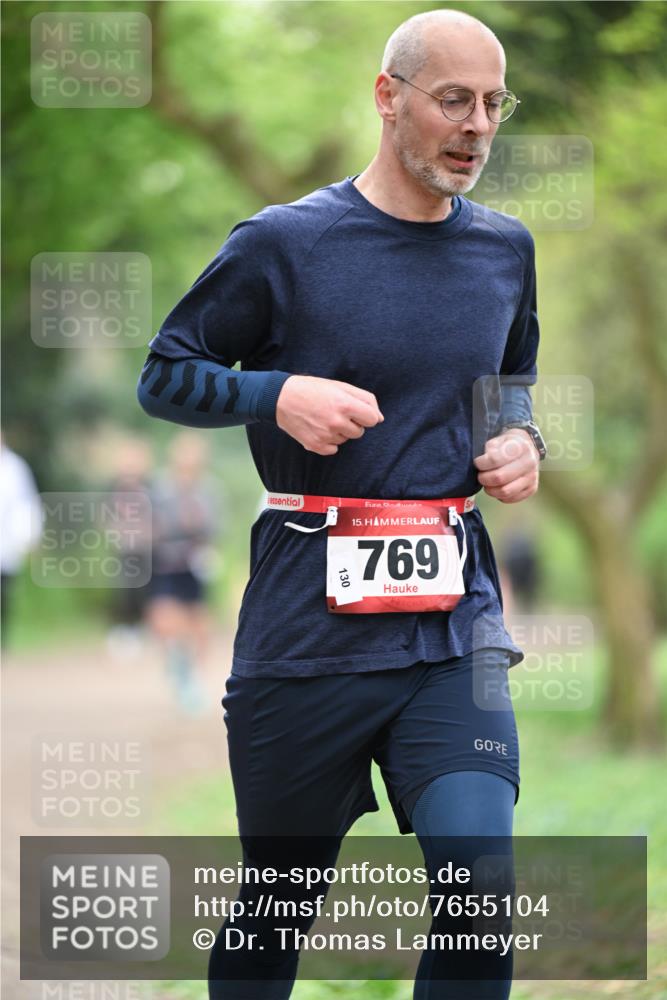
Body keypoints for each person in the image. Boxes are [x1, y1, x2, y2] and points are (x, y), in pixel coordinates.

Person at [137, 9, 546, 997]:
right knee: (276, 907)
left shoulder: (504, 249)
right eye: (454, 100)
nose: (476, 126)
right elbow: (165, 374)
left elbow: (511, 381)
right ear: (386, 97)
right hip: (305, 627)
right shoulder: (284, 243)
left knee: (481, 891)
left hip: (451, 626)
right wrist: (274, 393)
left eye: (494, 104)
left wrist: (520, 440)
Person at [146, 431, 219, 713]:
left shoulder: (210, 489)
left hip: (195, 565)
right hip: (165, 563)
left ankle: (193, 678)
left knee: (199, 624)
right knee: (165, 619)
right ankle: (178, 666)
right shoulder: (160, 488)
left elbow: (215, 527)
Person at [0, 435, 42, 648]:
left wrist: (30, 536)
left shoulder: (15, 468)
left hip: (6, 542)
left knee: (3, 592)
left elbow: (26, 505)